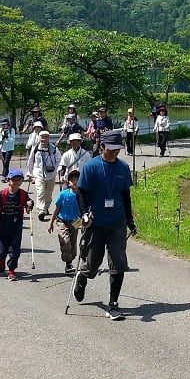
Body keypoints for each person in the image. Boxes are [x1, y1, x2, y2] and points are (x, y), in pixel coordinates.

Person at [74, 130, 137, 317]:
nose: (114, 153)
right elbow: (82, 194)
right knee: (92, 265)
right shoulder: (91, 167)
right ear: (102, 147)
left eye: (117, 150)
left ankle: (113, 304)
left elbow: (126, 195)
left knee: (118, 262)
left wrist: (130, 220)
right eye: (111, 149)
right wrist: (84, 214)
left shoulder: (123, 168)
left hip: (117, 222)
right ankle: (83, 276)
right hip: (95, 223)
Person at [0, 169, 34, 281]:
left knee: (15, 250)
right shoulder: (2, 194)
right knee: (1, 251)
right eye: (14, 179)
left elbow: (28, 210)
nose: (17, 182)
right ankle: (1, 260)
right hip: (2, 225)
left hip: (16, 225)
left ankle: (11, 270)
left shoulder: (23, 194)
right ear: (8, 181)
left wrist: (29, 205)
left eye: (19, 179)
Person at [48, 168, 82, 274]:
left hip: (76, 221)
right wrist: (51, 223)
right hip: (62, 220)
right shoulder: (63, 194)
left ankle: (70, 263)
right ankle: (68, 263)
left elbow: (85, 209)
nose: (75, 182)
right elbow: (57, 209)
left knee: (73, 243)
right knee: (65, 240)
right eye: (73, 180)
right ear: (68, 183)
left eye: (78, 179)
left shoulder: (82, 195)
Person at [26, 129, 61, 221]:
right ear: (39, 138)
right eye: (42, 137)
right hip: (39, 174)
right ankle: (41, 210)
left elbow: (59, 160)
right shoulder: (35, 148)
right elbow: (30, 161)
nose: (44, 139)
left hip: (51, 174)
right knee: (40, 192)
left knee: (48, 194)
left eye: (46, 137)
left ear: (49, 138)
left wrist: (56, 169)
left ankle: (46, 207)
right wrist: (30, 173)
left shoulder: (54, 149)